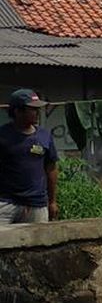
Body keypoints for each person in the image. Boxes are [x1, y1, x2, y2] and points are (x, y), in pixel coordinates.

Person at [0, 89, 59, 224]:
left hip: (37, 204)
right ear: (17, 111)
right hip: (5, 203)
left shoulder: (44, 136)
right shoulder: (3, 135)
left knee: (38, 243)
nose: (37, 113)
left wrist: (52, 201)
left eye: (38, 109)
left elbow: (51, 169)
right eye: (32, 109)